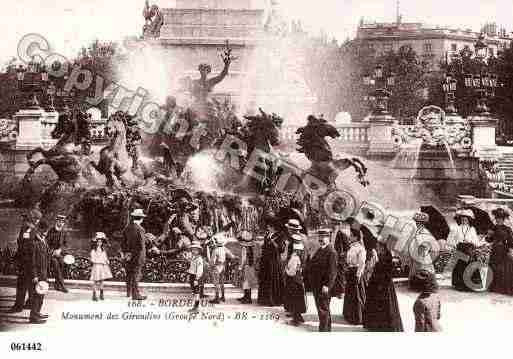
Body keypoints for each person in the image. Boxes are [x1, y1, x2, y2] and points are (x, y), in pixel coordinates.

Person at [363, 234, 404, 332]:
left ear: (382, 247)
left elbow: (387, 272)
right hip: (378, 283)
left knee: (384, 307)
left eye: (378, 246)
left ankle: (383, 326)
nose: (377, 247)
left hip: (383, 285)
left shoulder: (387, 256)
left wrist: (380, 282)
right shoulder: (381, 255)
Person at [8, 208, 42, 313]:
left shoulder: (28, 229)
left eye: (25, 218)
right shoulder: (32, 228)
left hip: (26, 262)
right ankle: (29, 304)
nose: (23, 220)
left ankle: (19, 306)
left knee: (22, 284)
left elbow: (25, 246)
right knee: (30, 285)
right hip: (29, 261)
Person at [304, 228, 338, 332]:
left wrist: (327, 285)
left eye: (324, 237)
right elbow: (312, 264)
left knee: (323, 309)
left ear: (329, 238)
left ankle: (324, 330)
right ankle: (325, 328)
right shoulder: (321, 249)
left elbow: (332, 272)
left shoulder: (331, 252)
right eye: (320, 237)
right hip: (317, 285)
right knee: (321, 309)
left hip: (324, 286)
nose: (321, 239)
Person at [448, 209, 485, 291]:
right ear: (460, 220)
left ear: (469, 220)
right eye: (462, 220)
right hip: (460, 248)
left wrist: (473, 242)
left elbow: (475, 240)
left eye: (466, 220)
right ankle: (460, 285)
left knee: (470, 265)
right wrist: (455, 244)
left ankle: (471, 285)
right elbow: (451, 239)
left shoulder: (472, 229)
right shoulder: (456, 228)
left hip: (469, 249)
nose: (464, 221)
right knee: (460, 265)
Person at [258, 215, 286, 307]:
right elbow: (265, 245)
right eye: (268, 225)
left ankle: (274, 300)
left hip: (274, 261)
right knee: (265, 278)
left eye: (269, 225)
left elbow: (281, 249)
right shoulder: (267, 234)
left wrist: (273, 242)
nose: (267, 227)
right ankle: (264, 299)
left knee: (272, 279)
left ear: (274, 226)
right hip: (266, 260)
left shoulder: (280, 235)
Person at [27, 220, 50, 324]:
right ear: (40, 230)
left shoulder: (43, 241)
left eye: (46, 231)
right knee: (36, 295)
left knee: (41, 293)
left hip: (43, 273)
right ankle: (33, 316)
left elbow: (46, 258)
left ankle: (37, 312)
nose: (46, 233)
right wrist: (35, 275)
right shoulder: (34, 243)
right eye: (44, 231)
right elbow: (32, 261)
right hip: (38, 274)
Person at [122, 208, 148, 300]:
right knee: (136, 275)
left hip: (128, 256)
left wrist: (126, 253)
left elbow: (123, 243)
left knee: (129, 274)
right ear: (141, 218)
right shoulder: (140, 229)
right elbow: (141, 245)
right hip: (138, 256)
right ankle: (135, 294)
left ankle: (128, 292)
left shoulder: (127, 228)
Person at [343, 228, 367, 325]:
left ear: (356, 237)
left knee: (357, 295)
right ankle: (349, 315)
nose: (350, 237)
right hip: (350, 271)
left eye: (352, 235)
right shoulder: (351, 247)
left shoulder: (360, 248)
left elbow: (362, 263)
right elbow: (348, 259)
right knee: (350, 294)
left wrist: (358, 275)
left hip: (356, 272)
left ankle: (357, 317)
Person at [488, 208, 513, 294]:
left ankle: (502, 288)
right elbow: (488, 240)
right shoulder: (492, 228)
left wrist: (510, 249)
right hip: (495, 249)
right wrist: (489, 235)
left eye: (500, 219)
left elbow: (511, 241)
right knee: (494, 268)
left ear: (503, 219)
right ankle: (495, 287)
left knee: (503, 269)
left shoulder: (508, 229)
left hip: (503, 250)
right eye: (497, 218)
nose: (498, 220)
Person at [408, 212, 436, 291]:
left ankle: (425, 286)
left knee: (424, 269)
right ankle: (417, 286)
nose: (418, 224)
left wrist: (424, 247)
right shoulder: (416, 231)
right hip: (416, 253)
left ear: (423, 224)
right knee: (416, 269)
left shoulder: (425, 232)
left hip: (423, 253)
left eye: (420, 223)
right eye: (417, 222)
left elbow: (430, 243)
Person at [207, 232, 234, 304]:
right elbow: (232, 256)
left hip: (216, 267)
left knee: (216, 283)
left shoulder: (215, 250)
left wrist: (210, 266)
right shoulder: (224, 248)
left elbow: (212, 261)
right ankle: (223, 296)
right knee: (222, 282)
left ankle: (217, 298)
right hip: (223, 266)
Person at [285, 241, 307, 326]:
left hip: (293, 280)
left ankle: (296, 320)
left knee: (294, 300)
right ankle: (299, 317)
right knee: (298, 299)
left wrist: (286, 269)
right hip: (298, 281)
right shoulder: (299, 257)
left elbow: (291, 272)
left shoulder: (294, 258)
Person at [46, 214, 69, 293]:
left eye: (62, 222)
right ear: (56, 221)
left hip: (59, 253)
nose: (61, 223)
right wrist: (53, 251)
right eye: (59, 221)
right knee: (55, 264)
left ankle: (57, 284)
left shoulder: (64, 232)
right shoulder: (51, 231)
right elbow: (46, 244)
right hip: (51, 254)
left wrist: (60, 250)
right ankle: (62, 285)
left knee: (62, 263)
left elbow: (65, 245)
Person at [90, 232, 113, 301]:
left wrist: (106, 261)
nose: (99, 243)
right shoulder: (93, 250)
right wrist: (100, 261)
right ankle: (94, 295)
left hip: (102, 266)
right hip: (97, 266)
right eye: (98, 242)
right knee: (95, 280)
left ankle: (101, 294)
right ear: (96, 242)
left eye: (100, 242)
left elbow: (105, 257)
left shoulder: (103, 250)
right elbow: (93, 259)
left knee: (102, 280)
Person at [237, 232, 258, 304]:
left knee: (246, 282)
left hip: (246, 266)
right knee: (248, 282)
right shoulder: (250, 247)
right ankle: (246, 296)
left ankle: (247, 298)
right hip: (250, 266)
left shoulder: (244, 248)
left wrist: (240, 267)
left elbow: (243, 259)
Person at [188, 241, 205, 314]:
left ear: (199, 251)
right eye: (193, 249)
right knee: (194, 292)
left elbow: (200, 270)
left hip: (196, 277)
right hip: (192, 275)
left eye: (196, 250)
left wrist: (196, 278)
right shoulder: (193, 258)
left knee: (196, 292)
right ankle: (195, 307)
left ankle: (196, 307)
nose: (194, 251)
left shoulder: (199, 259)